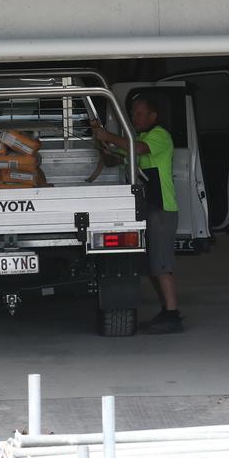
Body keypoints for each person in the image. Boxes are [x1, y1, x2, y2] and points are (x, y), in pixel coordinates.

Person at [90, 97, 182, 334]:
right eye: (133, 113)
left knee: (162, 265)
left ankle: (173, 315)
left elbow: (138, 150)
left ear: (153, 116)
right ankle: (166, 310)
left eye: (140, 113)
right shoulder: (136, 140)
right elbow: (115, 160)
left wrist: (109, 137)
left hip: (162, 208)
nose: (135, 117)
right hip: (148, 208)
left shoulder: (159, 135)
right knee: (152, 266)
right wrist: (103, 145)